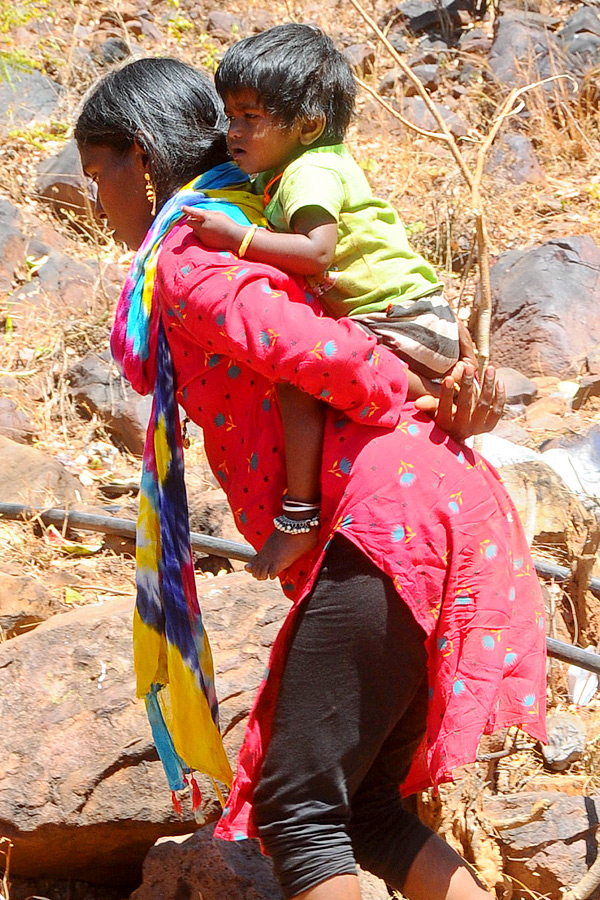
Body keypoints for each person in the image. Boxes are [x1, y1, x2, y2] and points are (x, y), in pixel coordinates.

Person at [75, 57, 546, 900]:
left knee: (298, 811)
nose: (93, 195)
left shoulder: (192, 257)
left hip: (386, 513)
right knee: (364, 810)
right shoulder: (244, 224)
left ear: (140, 159)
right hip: (427, 501)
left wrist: (423, 387)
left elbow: (321, 353)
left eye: (96, 170)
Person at [182, 24, 463, 579]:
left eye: (249, 117)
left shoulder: (307, 172)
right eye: (229, 115)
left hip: (404, 322)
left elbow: (316, 251)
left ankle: (299, 516)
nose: (232, 131)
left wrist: (231, 237)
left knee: (299, 373)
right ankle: (429, 390)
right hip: (421, 317)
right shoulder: (309, 165)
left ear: (307, 125)